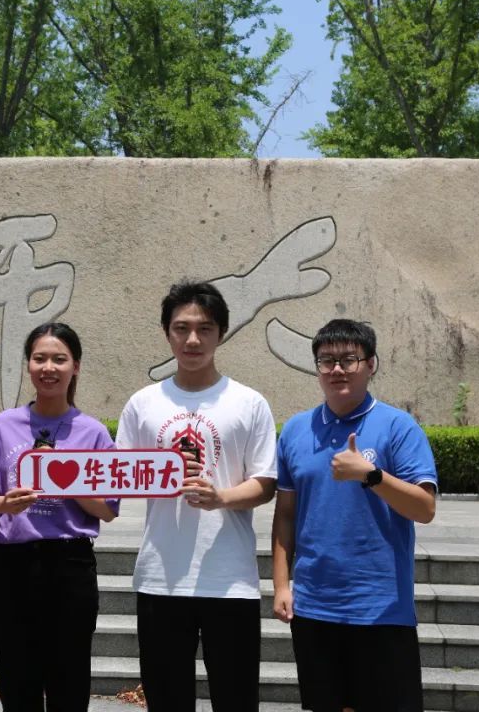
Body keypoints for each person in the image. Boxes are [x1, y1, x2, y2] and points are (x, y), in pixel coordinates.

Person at [115, 280, 277, 712]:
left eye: (204, 329)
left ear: (221, 333)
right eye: (181, 328)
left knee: (236, 699)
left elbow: (265, 483)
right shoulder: (143, 403)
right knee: (167, 699)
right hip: (161, 576)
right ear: (166, 333)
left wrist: (221, 497)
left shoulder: (249, 403)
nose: (192, 340)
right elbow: (120, 475)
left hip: (230, 579)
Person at [271, 319, 438, 712]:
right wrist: (280, 585)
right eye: (326, 361)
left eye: (349, 359)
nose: (337, 369)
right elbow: (285, 515)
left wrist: (371, 475)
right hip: (314, 605)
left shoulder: (398, 427)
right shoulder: (296, 430)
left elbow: (424, 508)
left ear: (371, 364)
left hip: (380, 606)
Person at [0, 322, 118, 712]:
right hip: (13, 565)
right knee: (17, 677)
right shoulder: (3, 426)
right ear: (28, 365)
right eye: (40, 358)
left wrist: (70, 481)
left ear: (75, 367)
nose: (49, 368)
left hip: (70, 565)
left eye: (59, 359)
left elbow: (108, 509)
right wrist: (4, 504)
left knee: (69, 678)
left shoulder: (93, 433)